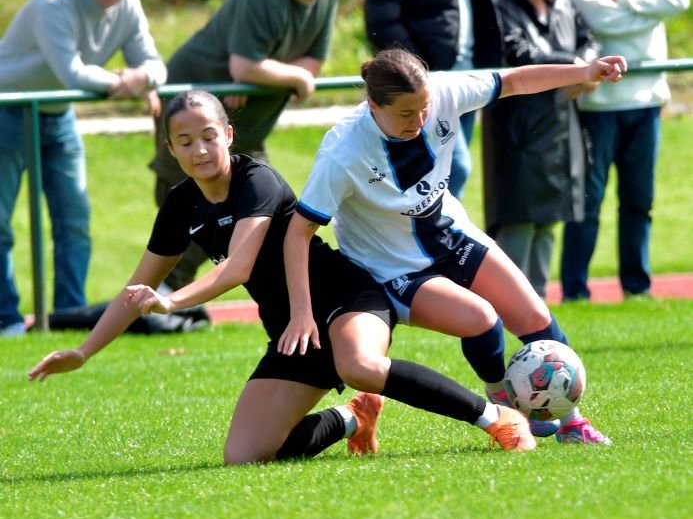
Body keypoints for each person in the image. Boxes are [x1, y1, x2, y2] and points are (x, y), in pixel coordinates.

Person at [29, 90, 539, 466]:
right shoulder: (180, 203)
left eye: (209, 136)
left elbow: (237, 268)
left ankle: (496, 419)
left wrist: (171, 302)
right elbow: (135, 289)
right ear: (170, 148)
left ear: (228, 134)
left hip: (347, 298)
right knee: (245, 457)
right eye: (185, 141)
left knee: (360, 363)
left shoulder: (257, 181)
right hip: (292, 330)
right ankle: (351, 418)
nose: (200, 149)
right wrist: (84, 352)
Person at [281, 48, 624, 444]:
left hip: (452, 235)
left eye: (424, 108)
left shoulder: (442, 91)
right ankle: (503, 401)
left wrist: (583, 71)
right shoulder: (343, 152)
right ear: (372, 104)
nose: (420, 120)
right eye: (406, 114)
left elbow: (514, 80)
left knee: (536, 319)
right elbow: (299, 230)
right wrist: (302, 313)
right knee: (481, 319)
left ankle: (572, 425)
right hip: (396, 268)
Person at [149, 0, 339, 294]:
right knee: (190, 209)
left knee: (261, 215)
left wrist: (267, 73)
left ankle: (169, 298)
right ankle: (162, 297)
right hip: (194, 110)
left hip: (246, 126)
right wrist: (274, 75)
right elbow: (245, 67)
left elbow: (312, 64)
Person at [0, 0, 167, 336]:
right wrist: (130, 82)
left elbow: (155, 66)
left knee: (74, 220)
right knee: (0, 220)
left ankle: (68, 317)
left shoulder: (130, 5)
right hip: (8, 109)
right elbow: (72, 75)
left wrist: (143, 78)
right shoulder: (52, 5)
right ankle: (6, 319)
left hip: (59, 116)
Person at [560, 0, 690, 301]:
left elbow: (679, 0)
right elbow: (604, 22)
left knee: (639, 200)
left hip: (647, 105)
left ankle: (637, 287)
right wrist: (650, 10)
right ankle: (575, 291)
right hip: (597, 107)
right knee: (588, 202)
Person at [481, 0, 600, 299]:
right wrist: (576, 69)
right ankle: (509, 304)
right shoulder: (500, 4)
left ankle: (540, 303)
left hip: (561, 123)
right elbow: (521, 53)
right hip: (519, 128)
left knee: (550, 218)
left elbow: (590, 42)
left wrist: (583, 67)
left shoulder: (564, 4)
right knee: (518, 220)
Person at [364, 0, 502, 199]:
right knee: (457, 169)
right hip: (426, 83)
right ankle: (427, 229)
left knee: (444, 173)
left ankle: (435, 228)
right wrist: (416, 74)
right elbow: (382, 21)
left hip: (470, 72)